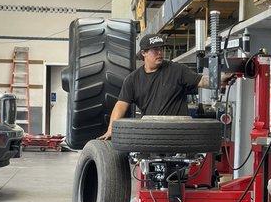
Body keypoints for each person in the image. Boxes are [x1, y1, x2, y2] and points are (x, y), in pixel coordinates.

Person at [99, 34, 231, 140]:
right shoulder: (133, 80)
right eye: (155, 50)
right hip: (152, 133)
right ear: (144, 53)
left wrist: (218, 80)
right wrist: (111, 129)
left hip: (178, 133)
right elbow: (121, 104)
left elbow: (202, 81)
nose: (160, 53)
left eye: (161, 49)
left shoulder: (177, 70)